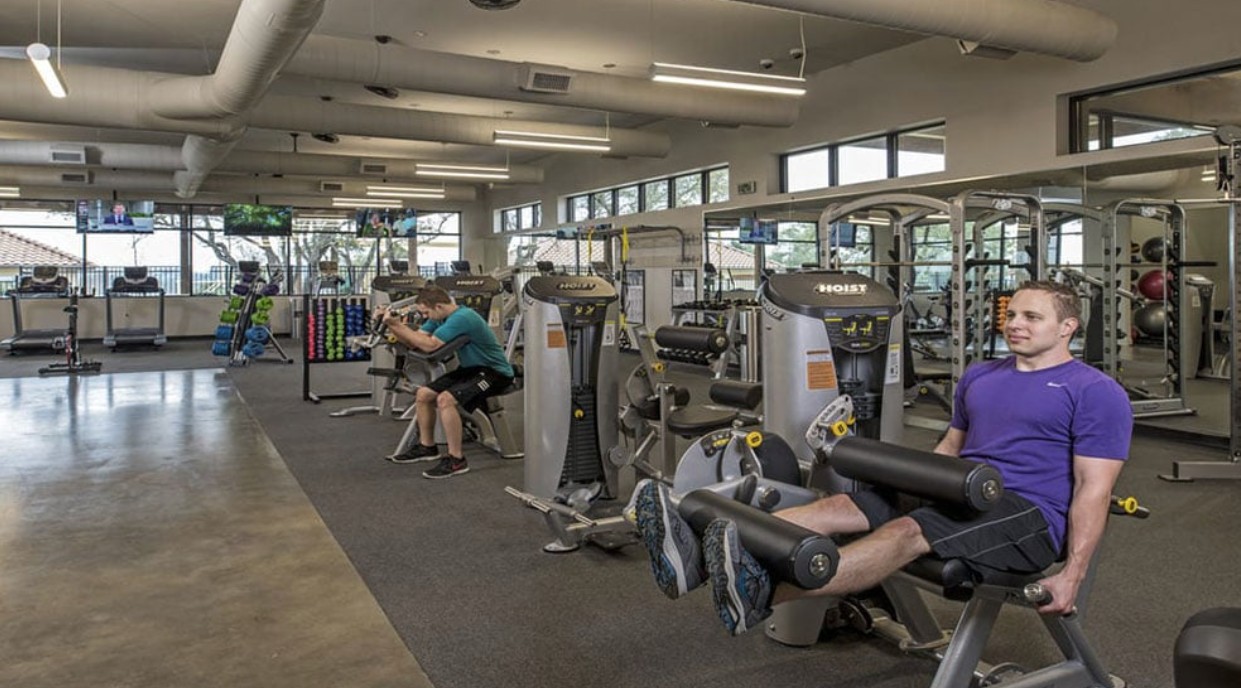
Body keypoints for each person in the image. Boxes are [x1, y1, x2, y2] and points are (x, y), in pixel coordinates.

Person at [632, 280, 1133, 635]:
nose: (1015, 323)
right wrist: (917, 484)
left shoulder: (1094, 392)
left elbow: (1095, 489)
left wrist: (1072, 573)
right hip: (966, 490)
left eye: (1031, 316)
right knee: (843, 506)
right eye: (1012, 312)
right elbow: (950, 451)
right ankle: (696, 557)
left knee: (906, 530)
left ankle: (764, 591)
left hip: (1027, 515)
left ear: (1067, 327)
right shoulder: (982, 375)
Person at [379, 285, 515, 479]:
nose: (425, 317)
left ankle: (456, 460)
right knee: (423, 394)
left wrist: (398, 326)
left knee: (445, 400)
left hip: (495, 373)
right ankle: (427, 447)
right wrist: (391, 324)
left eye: (426, 312)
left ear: (439, 306)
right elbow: (416, 341)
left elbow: (430, 345)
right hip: (470, 370)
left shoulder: (462, 317)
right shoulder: (440, 318)